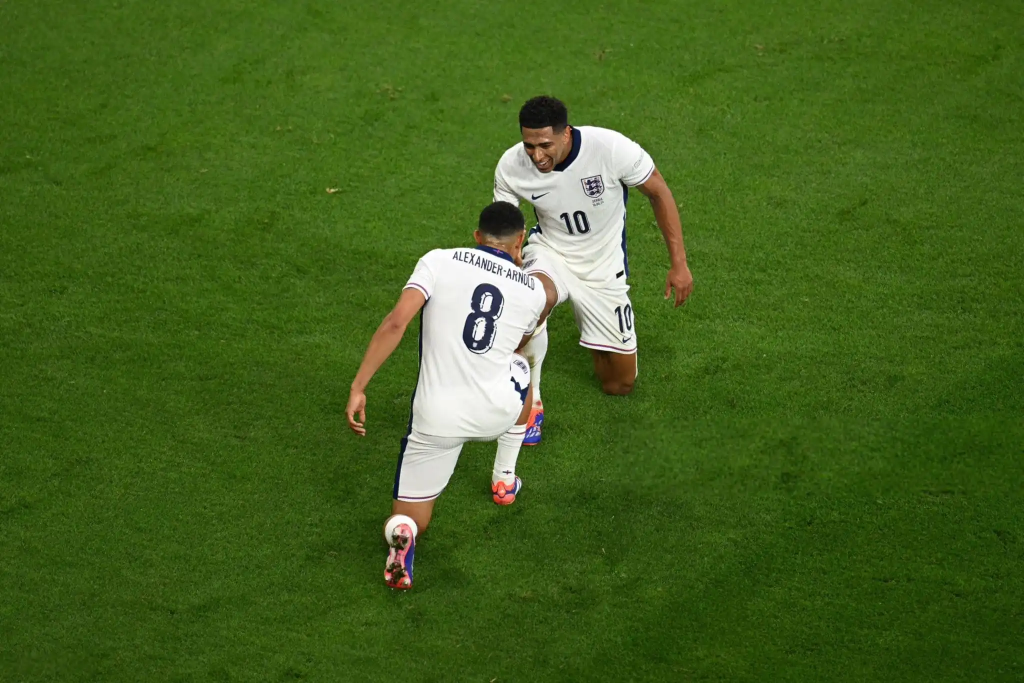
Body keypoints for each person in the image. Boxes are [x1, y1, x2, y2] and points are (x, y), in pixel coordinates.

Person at [346, 202, 547, 590]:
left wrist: (359, 386)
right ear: (520, 240)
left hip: (436, 418)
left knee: (411, 517)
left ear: (476, 237)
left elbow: (396, 322)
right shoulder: (534, 291)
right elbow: (517, 342)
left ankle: (401, 536)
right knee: (520, 367)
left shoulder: (438, 260)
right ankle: (504, 478)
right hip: (497, 410)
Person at [492, 95, 694, 445]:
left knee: (619, 385)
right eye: (529, 145)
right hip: (551, 252)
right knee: (535, 300)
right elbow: (505, 229)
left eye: (544, 145)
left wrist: (679, 263)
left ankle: (593, 337)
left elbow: (658, 192)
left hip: (603, 269)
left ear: (566, 133)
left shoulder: (611, 149)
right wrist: (509, 270)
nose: (536, 156)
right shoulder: (511, 165)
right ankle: (529, 397)